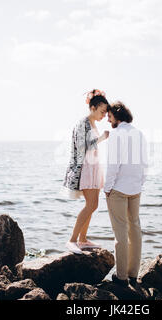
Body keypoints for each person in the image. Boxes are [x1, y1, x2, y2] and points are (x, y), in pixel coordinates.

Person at [104, 101, 148, 286]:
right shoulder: (139, 133)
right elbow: (145, 163)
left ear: (116, 115)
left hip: (119, 189)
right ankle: (133, 274)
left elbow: (113, 165)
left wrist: (107, 188)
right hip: (136, 189)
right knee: (135, 230)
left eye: (109, 115)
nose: (108, 118)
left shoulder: (115, 135)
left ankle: (121, 277)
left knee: (120, 232)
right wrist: (139, 183)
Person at [62, 89, 110, 254]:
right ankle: (72, 240)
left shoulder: (92, 123)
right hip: (86, 169)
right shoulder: (83, 122)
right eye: (102, 111)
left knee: (93, 205)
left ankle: (82, 239)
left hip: (94, 167)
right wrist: (102, 138)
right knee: (91, 204)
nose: (104, 115)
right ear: (93, 107)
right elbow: (82, 147)